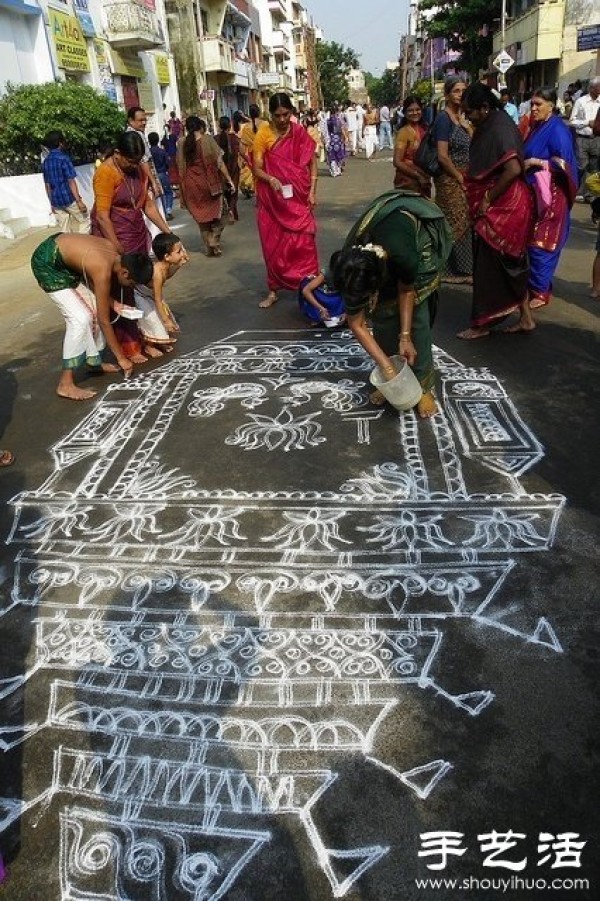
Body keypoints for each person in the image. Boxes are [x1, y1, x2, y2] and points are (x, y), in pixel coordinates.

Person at [330, 190, 452, 418]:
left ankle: (423, 387)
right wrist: (387, 368)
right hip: (380, 259)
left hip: (416, 245)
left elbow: (406, 289)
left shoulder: (403, 258)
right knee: (383, 315)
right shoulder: (347, 269)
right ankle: (394, 380)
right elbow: (357, 324)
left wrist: (405, 336)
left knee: (417, 317)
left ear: (377, 281)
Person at [30, 233, 153, 399]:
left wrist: (115, 304)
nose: (130, 287)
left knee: (95, 308)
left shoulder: (116, 255)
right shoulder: (102, 269)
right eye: (132, 284)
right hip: (47, 263)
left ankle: (94, 363)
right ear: (124, 273)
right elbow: (104, 320)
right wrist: (121, 358)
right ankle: (65, 383)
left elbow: (96, 286)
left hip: (68, 260)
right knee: (80, 319)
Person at [458, 83, 534, 339]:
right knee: (511, 263)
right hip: (507, 203)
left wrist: (488, 198)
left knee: (490, 266)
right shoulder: (492, 123)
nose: (467, 116)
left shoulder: (499, 126)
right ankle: (525, 318)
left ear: (485, 107)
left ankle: (482, 324)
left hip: (506, 207)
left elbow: (512, 169)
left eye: (470, 111)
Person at [91, 131, 172, 362]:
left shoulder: (138, 170)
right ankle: (130, 346)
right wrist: (118, 250)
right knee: (121, 290)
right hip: (113, 235)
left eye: (137, 161)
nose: (133, 165)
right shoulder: (106, 173)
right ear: (117, 154)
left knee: (141, 286)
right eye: (129, 161)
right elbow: (103, 217)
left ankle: (150, 337)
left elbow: (148, 206)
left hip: (135, 231)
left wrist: (168, 232)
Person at [505, 87, 577, 332]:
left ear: (551, 106)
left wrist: (537, 162)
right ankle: (538, 286)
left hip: (553, 197)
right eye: (532, 104)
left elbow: (564, 163)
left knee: (542, 244)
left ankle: (541, 291)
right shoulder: (536, 126)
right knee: (531, 241)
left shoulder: (558, 130)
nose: (533, 108)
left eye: (538, 104)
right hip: (536, 193)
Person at [252, 92, 319, 309]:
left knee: (304, 242)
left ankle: (312, 284)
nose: (282, 120)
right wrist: (270, 179)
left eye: (286, 114)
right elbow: (257, 168)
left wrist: (312, 191)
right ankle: (274, 289)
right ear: (270, 114)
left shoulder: (298, 132)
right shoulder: (263, 135)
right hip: (272, 202)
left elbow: (311, 162)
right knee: (274, 245)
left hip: (298, 199)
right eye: (277, 115)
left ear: (291, 112)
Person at [431, 76, 473, 283]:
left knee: (467, 220)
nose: (460, 95)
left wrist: (467, 127)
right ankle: (447, 269)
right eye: (456, 91)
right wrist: (458, 177)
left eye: (463, 91)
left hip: (466, 176)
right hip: (449, 178)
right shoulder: (443, 119)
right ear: (447, 95)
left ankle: (465, 268)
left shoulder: (464, 118)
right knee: (452, 221)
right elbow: (442, 155)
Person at [177, 116, 235, 257]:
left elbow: (179, 165)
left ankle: (210, 249)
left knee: (202, 219)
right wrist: (229, 179)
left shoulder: (181, 143)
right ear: (200, 126)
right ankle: (213, 238)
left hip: (190, 185)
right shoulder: (207, 140)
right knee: (222, 213)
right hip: (208, 184)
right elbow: (219, 163)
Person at [134, 232, 188, 353]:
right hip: (140, 294)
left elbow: (167, 276)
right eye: (179, 252)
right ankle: (149, 346)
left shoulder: (165, 266)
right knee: (152, 319)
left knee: (162, 313)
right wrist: (166, 320)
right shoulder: (157, 272)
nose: (182, 253)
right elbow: (157, 298)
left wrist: (179, 265)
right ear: (167, 256)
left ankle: (160, 341)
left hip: (150, 294)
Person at [42, 131, 90, 234]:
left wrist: (51, 203)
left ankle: (68, 247)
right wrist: (79, 201)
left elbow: (47, 185)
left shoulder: (46, 162)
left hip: (56, 200)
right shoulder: (64, 158)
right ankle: (82, 244)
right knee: (85, 219)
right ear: (60, 143)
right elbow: (71, 181)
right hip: (69, 198)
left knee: (64, 229)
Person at [392, 95, 431, 197]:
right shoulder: (404, 132)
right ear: (405, 112)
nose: (415, 113)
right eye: (410, 110)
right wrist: (417, 176)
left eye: (418, 110)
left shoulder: (425, 129)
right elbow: (397, 161)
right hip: (407, 182)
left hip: (424, 181)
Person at [569, 76, 600, 201]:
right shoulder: (580, 101)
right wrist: (587, 122)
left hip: (597, 139)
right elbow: (571, 121)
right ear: (592, 88)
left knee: (594, 167)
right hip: (582, 138)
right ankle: (574, 191)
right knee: (581, 166)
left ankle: (590, 195)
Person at [126, 107, 164, 206]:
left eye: (144, 120)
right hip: (144, 181)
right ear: (130, 120)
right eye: (140, 120)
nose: (143, 123)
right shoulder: (136, 135)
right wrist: (153, 182)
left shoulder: (129, 134)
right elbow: (143, 161)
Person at [215, 115, 241, 223]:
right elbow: (243, 152)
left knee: (225, 191)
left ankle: (227, 210)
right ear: (230, 126)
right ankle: (232, 210)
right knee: (233, 192)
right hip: (234, 168)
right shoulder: (235, 138)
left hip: (221, 170)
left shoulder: (215, 139)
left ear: (219, 126)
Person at [239, 103, 268, 196]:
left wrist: (247, 159)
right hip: (266, 154)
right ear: (259, 112)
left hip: (253, 155)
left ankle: (260, 197)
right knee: (267, 175)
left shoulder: (246, 128)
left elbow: (241, 149)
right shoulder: (265, 124)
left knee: (257, 177)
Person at [148, 131, 174, 220]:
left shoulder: (148, 153)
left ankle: (162, 211)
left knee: (159, 194)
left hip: (153, 176)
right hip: (162, 173)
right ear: (158, 140)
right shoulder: (162, 151)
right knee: (168, 192)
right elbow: (168, 162)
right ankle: (168, 210)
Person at [326, 106, 347, 177]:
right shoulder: (339, 120)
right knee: (338, 155)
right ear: (336, 112)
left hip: (331, 139)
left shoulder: (328, 121)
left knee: (332, 156)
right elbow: (341, 130)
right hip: (338, 139)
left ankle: (334, 171)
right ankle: (338, 170)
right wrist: (345, 137)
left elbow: (326, 132)